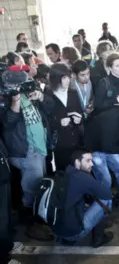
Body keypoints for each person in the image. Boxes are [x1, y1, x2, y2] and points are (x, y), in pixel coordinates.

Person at [1, 69, 55, 241]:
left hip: (39, 148)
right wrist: (15, 101)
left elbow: (50, 107)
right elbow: (7, 124)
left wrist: (41, 97)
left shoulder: (29, 93)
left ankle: (39, 217)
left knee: (40, 184)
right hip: (24, 151)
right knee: (32, 187)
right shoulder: (5, 99)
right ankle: (32, 224)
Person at [52, 148, 113, 248]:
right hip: (74, 233)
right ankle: (99, 237)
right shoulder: (81, 177)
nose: (92, 164)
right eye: (88, 161)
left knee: (87, 203)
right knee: (106, 200)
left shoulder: (63, 172)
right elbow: (107, 194)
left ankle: (66, 238)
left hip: (57, 230)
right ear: (77, 162)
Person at [46, 63, 83, 171]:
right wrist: (59, 123)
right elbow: (46, 121)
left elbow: (80, 113)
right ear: (56, 79)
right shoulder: (48, 95)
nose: (68, 80)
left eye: (69, 76)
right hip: (60, 144)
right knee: (64, 173)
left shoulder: (73, 92)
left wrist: (79, 119)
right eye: (64, 77)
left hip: (76, 141)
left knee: (79, 172)